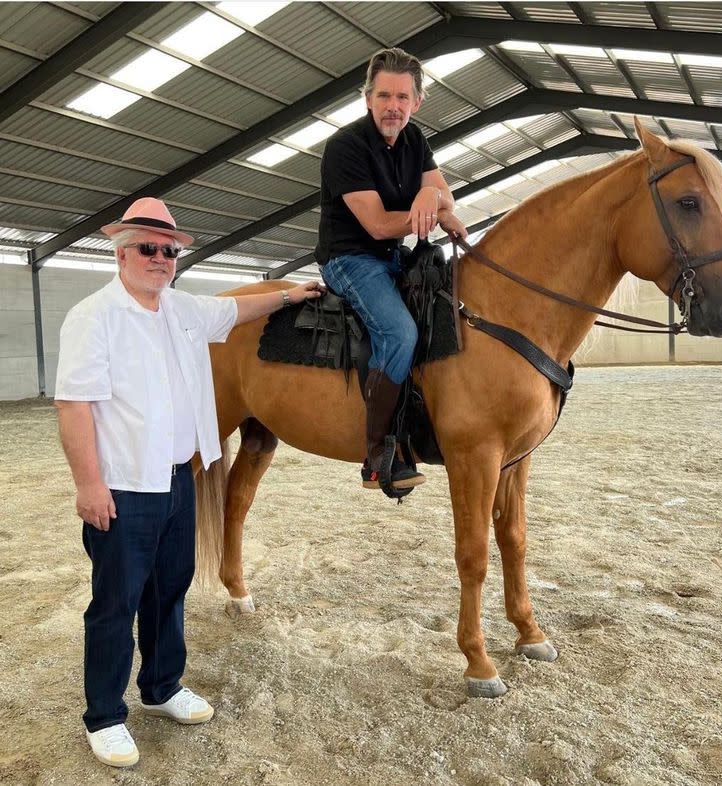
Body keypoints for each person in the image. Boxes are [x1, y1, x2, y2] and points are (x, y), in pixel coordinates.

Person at [54, 197, 323, 768]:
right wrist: (88, 485)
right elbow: (74, 406)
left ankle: (161, 687)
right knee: (115, 601)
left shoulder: (182, 309)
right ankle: (104, 715)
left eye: (168, 250)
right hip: (125, 486)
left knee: (169, 588)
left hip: (181, 478)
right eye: (147, 248)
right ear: (122, 252)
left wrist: (290, 294)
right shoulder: (92, 317)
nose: (159, 258)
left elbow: (239, 312)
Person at [315, 47, 468, 491]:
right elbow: (380, 224)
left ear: (416, 103)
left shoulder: (415, 140)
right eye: (384, 96)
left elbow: (446, 197)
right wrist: (432, 204)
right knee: (399, 332)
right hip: (349, 258)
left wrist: (432, 199)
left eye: (403, 98)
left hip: (390, 257)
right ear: (368, 98)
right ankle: (378, 452)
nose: (393, 106)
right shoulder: (345, 147)